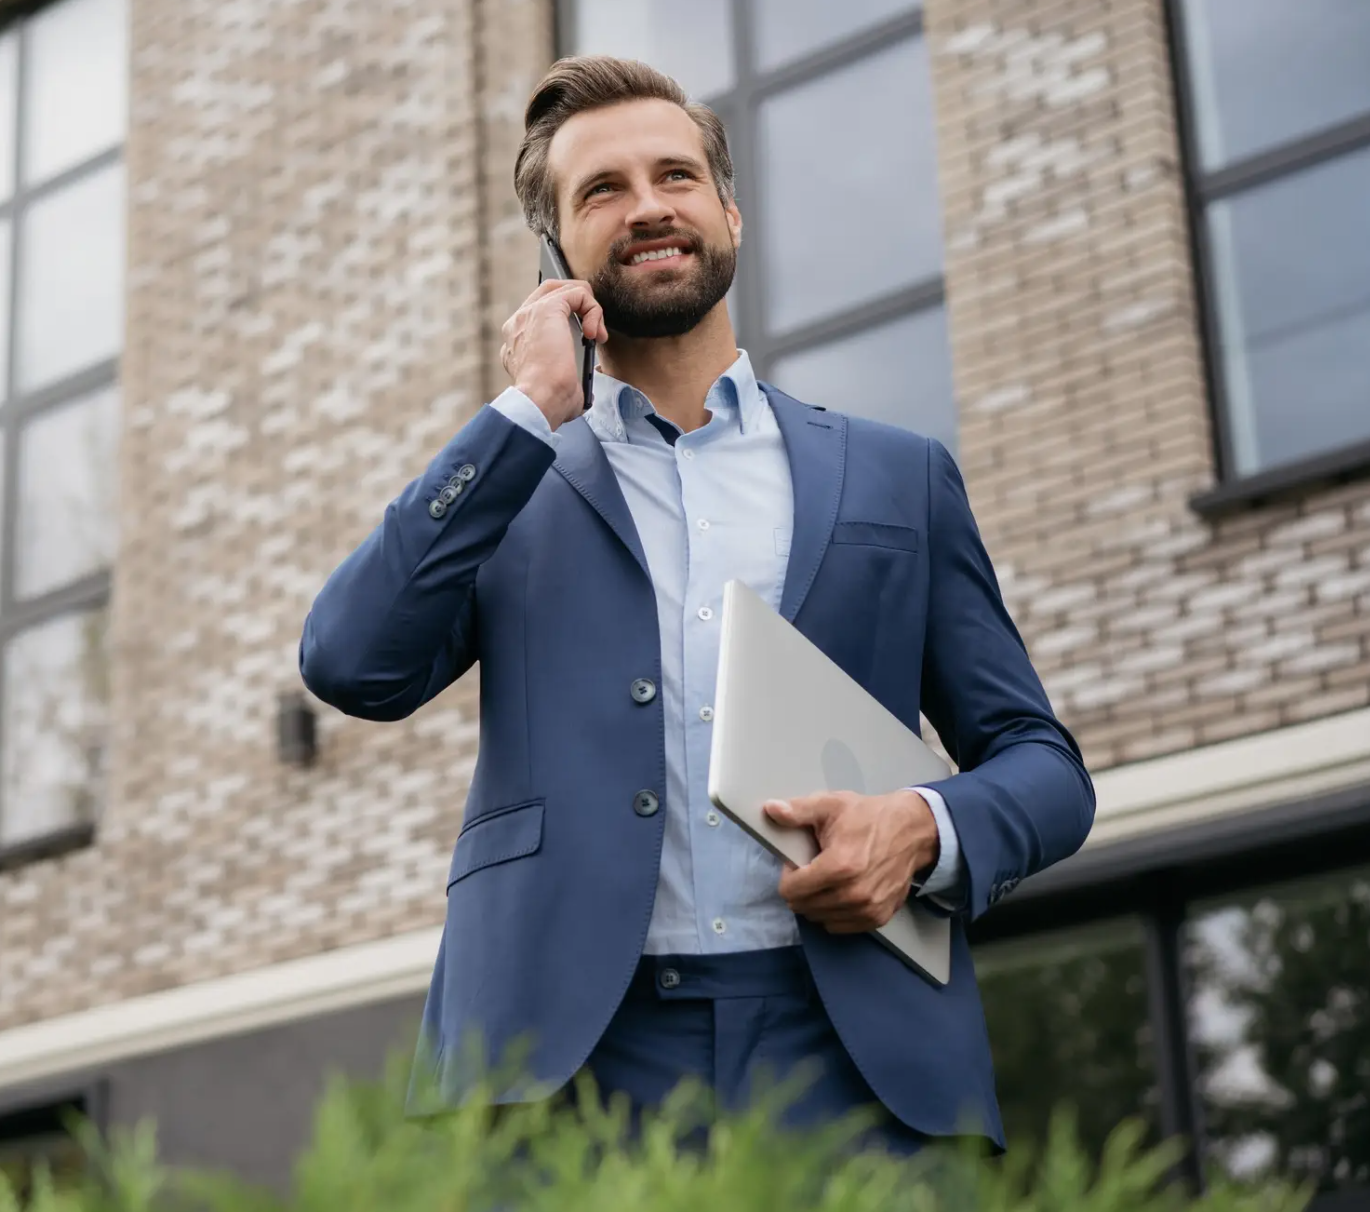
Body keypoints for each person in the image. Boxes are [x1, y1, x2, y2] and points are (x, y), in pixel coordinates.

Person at [299, 54, 1094, 1156]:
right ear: (557, 253)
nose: (647, 208)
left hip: (856, 1057)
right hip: (561, 1071)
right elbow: (350, 663)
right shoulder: (509, 485)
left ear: (726, 209)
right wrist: (527, 412)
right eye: (601, 190)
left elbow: (1043, 767)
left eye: (673, 176)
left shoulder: (893, 478)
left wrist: (918, 827)